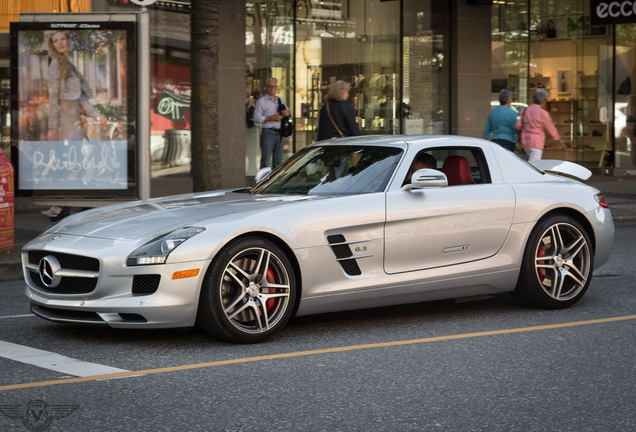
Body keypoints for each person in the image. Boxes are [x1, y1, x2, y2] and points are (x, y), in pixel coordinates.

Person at [44, 30, 108, 221]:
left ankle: (68, 207)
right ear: (52, 44)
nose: (60, 43)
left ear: (68, 41)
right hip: (66, 124)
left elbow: (80, 99)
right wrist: (53, 127)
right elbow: (53, 99)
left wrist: (97, 115)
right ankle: (65, 207)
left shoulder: (67, 64)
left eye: (63, 39)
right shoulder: (56, 66)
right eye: (56, 41)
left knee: (74, 165)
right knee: (70, 165)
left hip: (73, 124)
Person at [515, 88, 567, 161]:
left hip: (525, 142)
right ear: (543, 101)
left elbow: (518, 125)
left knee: (532, 164)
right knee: (535, 166)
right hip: (536, 143)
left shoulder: (525, 110)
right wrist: (561, 143)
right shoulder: (542, 113)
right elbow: (551, 129)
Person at [253, 77, 291, 169]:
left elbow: (290, 113)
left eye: (274, 86)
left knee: (278, 163)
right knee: (265, 162)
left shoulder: (280, 100)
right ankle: (262, 182)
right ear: (266, 87)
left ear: (277, 87)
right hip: (268, 133)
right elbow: (256, 118)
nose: (272, 88)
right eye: (270, 86)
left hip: (280, 133)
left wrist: (288, 113)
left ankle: (276, 183)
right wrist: (271, 118)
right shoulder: (261, 101)